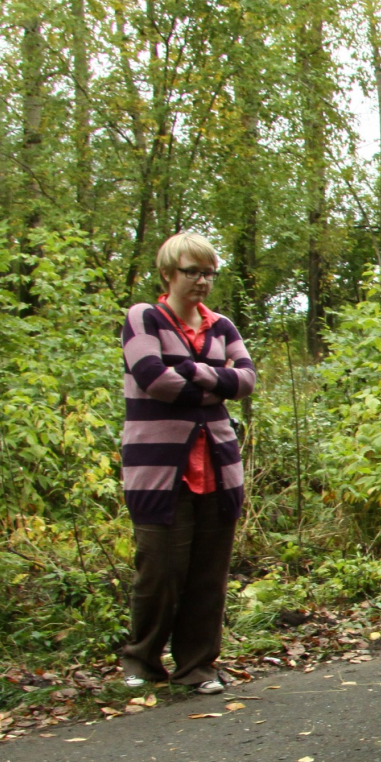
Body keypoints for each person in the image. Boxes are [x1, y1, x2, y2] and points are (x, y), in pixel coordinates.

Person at [118, 233, 257, 692]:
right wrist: (217, 383)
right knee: (158, 570)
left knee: (208, 575)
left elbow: (247, 381)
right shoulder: (143, 318)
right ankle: (142, 660)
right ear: (168, 274)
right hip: (159, 471)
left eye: (209, 273)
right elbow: (151, 378)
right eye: (192, 272)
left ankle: (196, 667)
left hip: (217, 466)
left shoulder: (222, 326)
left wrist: (195, 372)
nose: (201, 281)